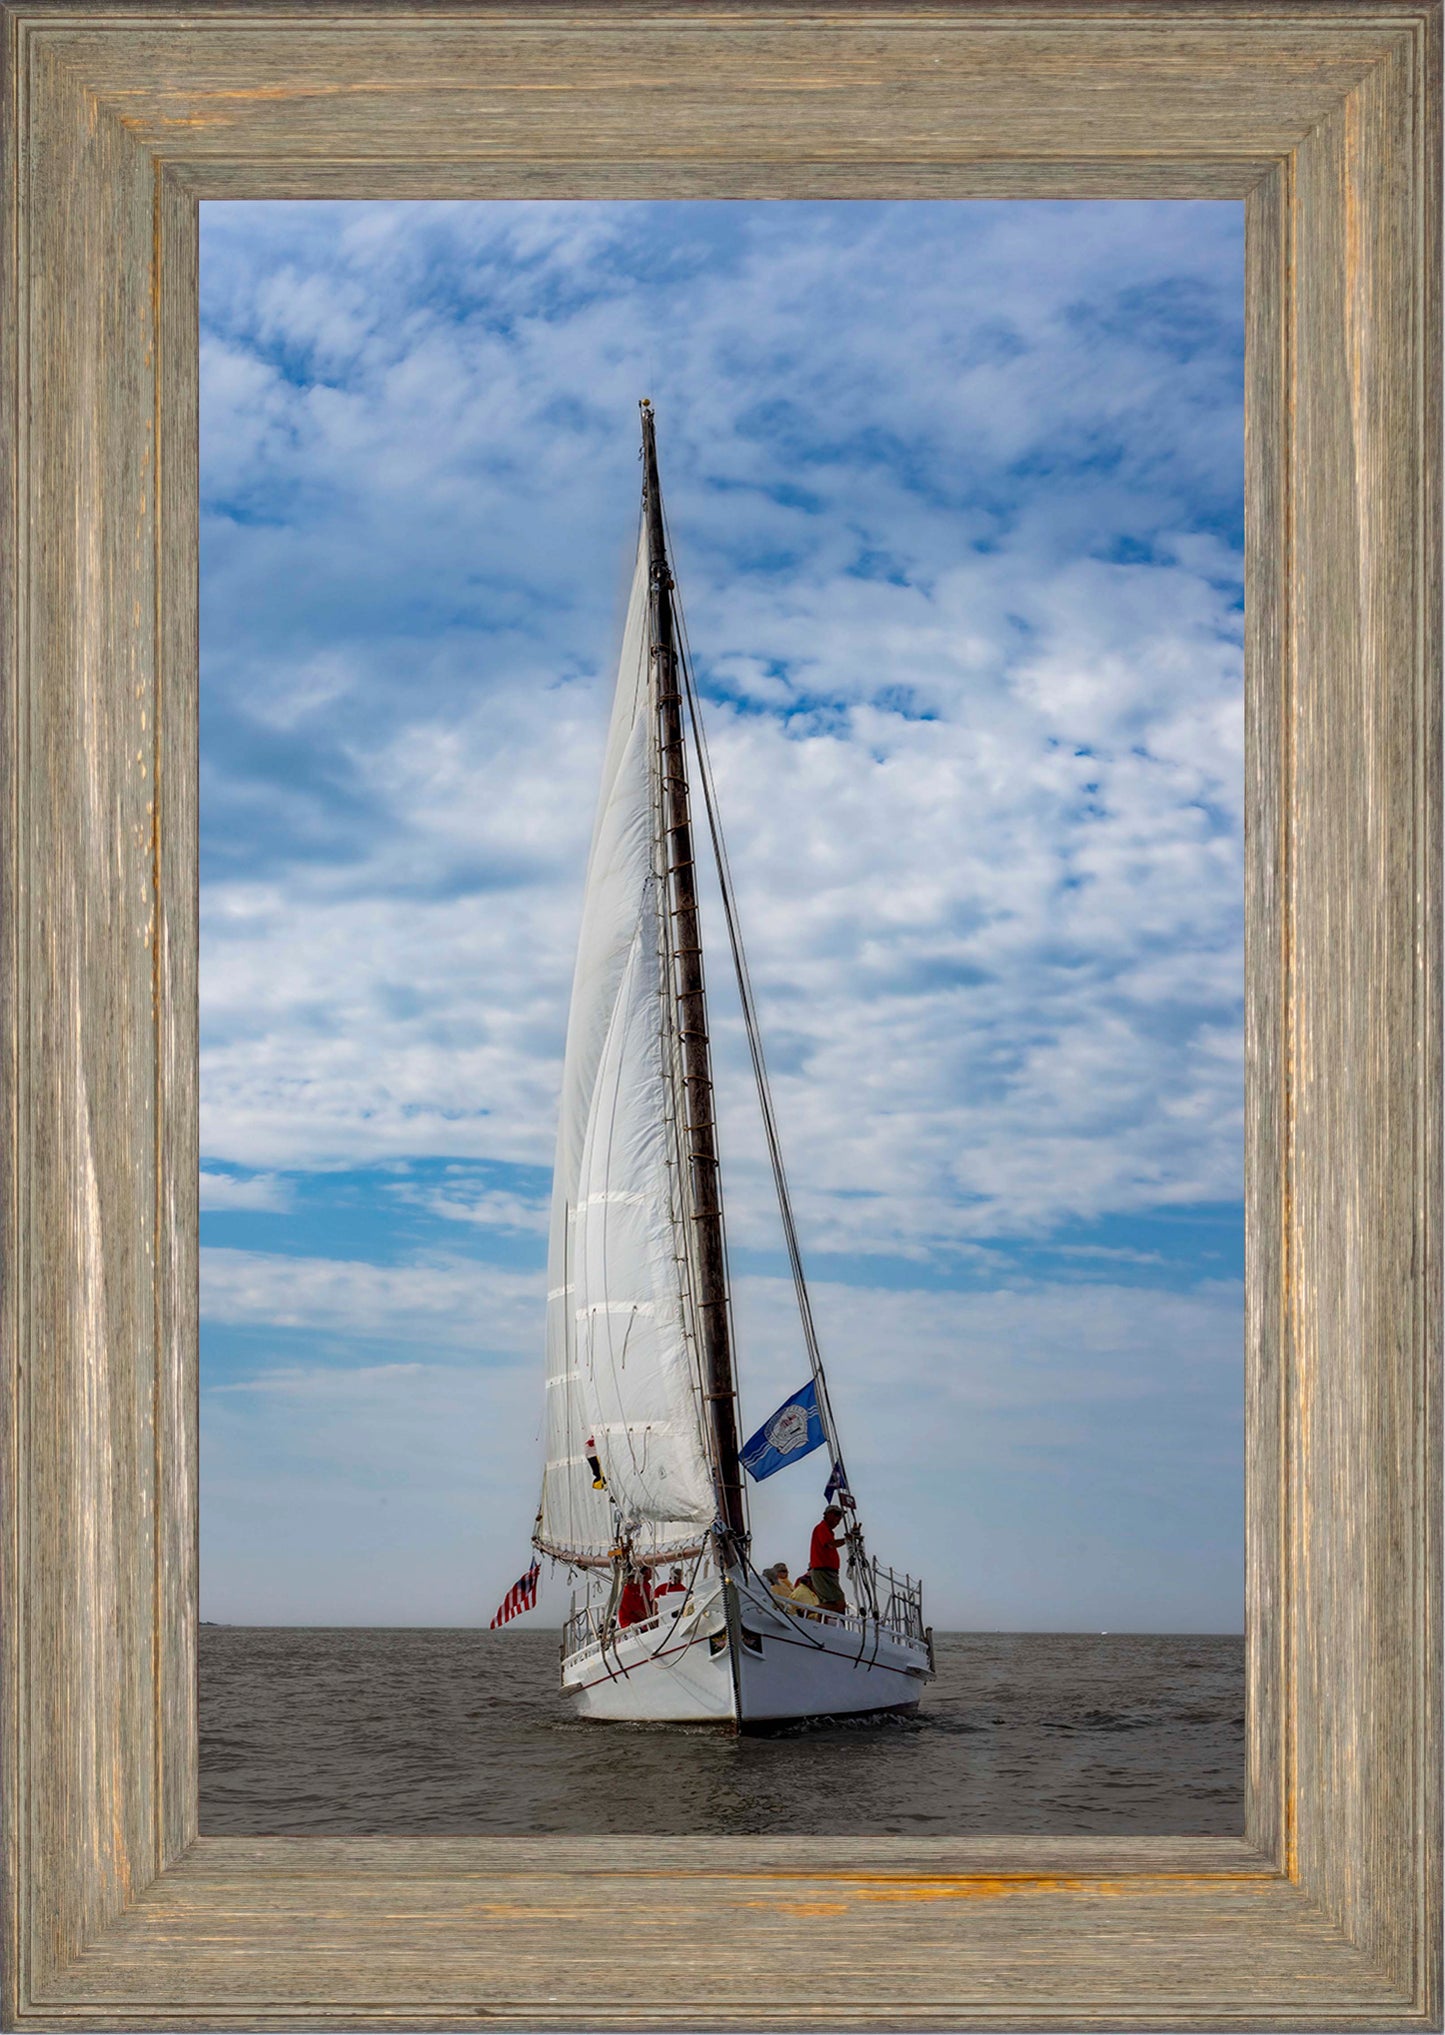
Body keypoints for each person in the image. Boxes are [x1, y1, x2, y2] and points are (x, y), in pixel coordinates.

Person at [807, 1504, 848, 1613]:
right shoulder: (822, 1528)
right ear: (827, 1514)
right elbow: (829, 1544)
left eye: (841, 1516)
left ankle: (816, 1618)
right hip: (824, 1571)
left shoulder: (826, 1530)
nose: (839, 1519)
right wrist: (847, 1540)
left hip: (826, 1572)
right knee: (839, 1605)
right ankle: (805, 1612)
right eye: (837, 1514)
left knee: (827, 1603)